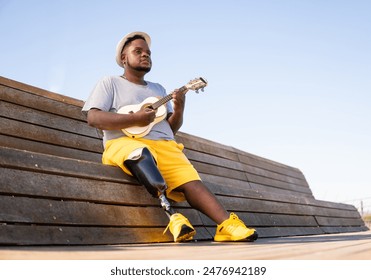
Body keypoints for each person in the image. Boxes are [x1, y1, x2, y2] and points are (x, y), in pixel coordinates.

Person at [82, 31, 258, 242]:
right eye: (137, 51)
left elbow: (169, 128)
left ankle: (226, 225)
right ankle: (173, 216)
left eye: (148, 52)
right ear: (123, 58)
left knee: (191, 180)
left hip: (165, 146)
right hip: (123, 143)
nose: (145, 55)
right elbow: (94, 118)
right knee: (141, 153)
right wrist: (135, 119)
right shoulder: (109, 82)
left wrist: (179, 108)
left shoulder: (158, 89)